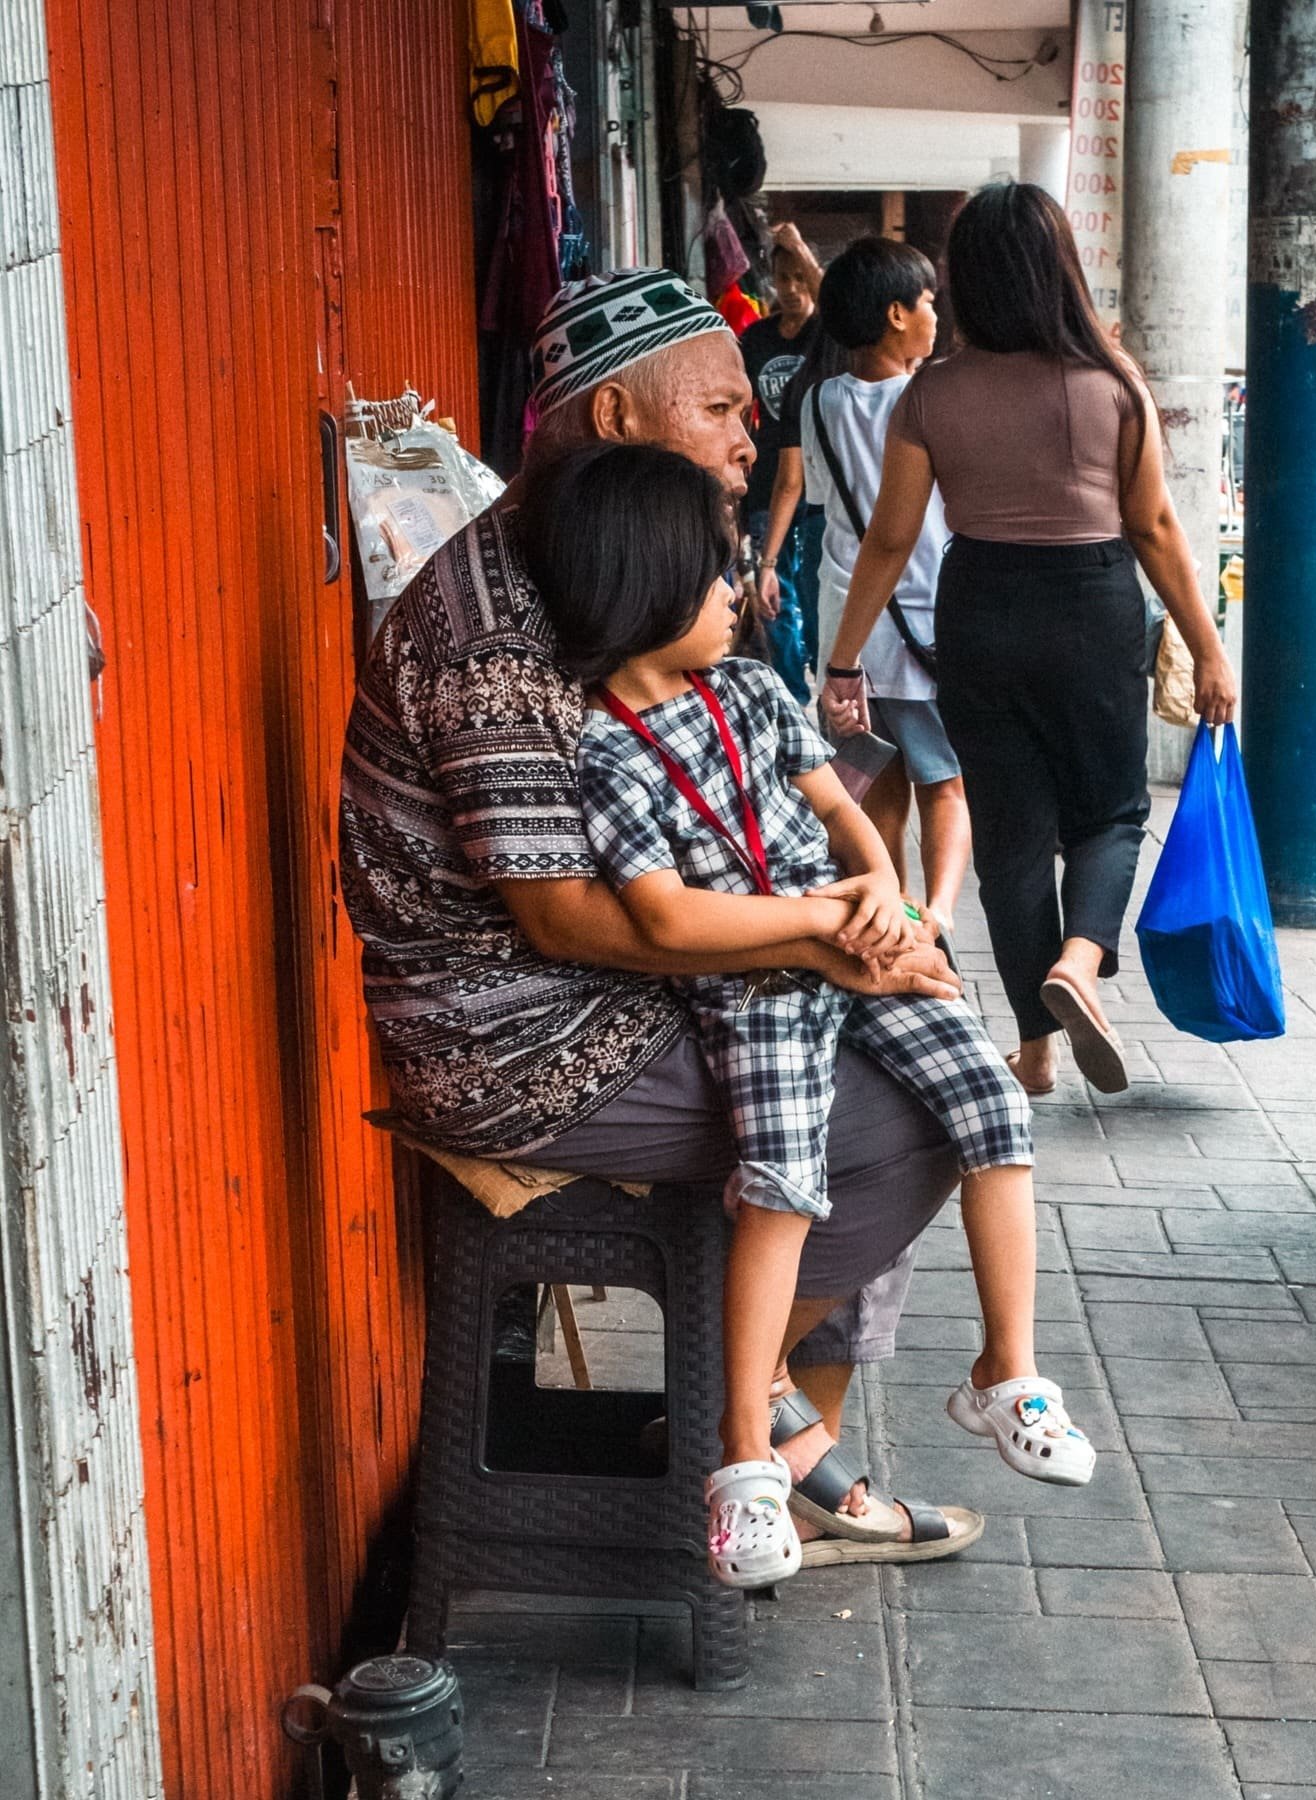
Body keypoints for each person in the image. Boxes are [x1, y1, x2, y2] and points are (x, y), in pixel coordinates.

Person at [340, 267, 983, 1565]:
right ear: (620, 419)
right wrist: (819, 937)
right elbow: (569, 917)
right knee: (906, 1118)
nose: (755, 436)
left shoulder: (623, 566)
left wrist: (853, 918)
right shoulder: (494, 619)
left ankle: (762, 1422)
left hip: (613, 984)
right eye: (723, 410)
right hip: (508, 1036)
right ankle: (750, 1424)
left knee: (919, 1042)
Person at [521, 441, 1091, 1585]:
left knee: (992, 1104)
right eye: (718, 576)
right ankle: (741, 1457)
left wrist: (885, 896)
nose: (742, 593)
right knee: (782, 1180)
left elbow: (848, 814)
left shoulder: (753, 691)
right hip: (758, 988)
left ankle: (1007, 1371)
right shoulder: (604, 755)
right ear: (644, 590)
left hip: (854, 945)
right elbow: (669, 922)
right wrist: (827, 925)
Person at [823, 183, 1238, 1098]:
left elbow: (889, 539)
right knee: (1111, 814)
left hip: (979, 609)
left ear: (967, 278)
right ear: (1060, 268)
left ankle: (1036, 1047)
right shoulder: (1113, 383)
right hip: (1090, 608)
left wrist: (844, 660)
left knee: (1012, 842)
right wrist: (1210, 650)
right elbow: (1157, 529)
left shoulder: (932, 393)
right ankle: (1080, 964)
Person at [806, 236, 971, 936]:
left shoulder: (818, 402)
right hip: (928, 617)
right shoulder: (932, 396)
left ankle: (894, 913)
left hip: (850, 632)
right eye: (929, 302)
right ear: (898, 315)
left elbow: (827, 502)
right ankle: (936, 915)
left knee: (878, 786)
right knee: (947, 784)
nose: (937, 315)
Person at [741, 223, 823, 701]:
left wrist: (800, 249)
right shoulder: (756, 338)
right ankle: (795, 698)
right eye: (782, 277)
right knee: (776, 605)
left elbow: (835, 303)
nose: (790, 289)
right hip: (770, 483)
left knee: (813, 602)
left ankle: (819, 678)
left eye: (799, 277)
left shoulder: (825, 334)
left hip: (819, 493)